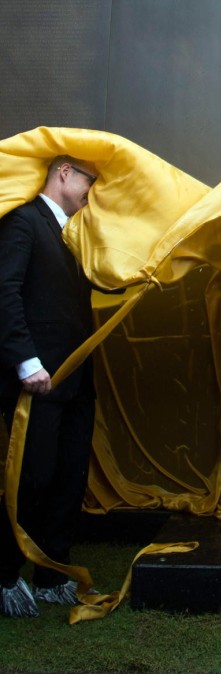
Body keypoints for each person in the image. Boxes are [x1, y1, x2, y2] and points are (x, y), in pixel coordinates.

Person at [1, 156, 100, 617]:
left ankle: (51, 573)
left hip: (77, 382)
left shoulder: (75, 233)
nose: (91, 190)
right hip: (38, 381)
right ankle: (4, 576)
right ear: (63, 172)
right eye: (88, 180)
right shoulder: (24, 222)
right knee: (32, 478)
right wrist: (25, 362)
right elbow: (5, 292)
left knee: (68, 477)